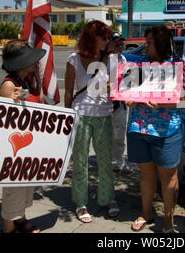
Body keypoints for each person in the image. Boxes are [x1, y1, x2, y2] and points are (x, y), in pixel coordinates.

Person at [126, 25, 185, 233]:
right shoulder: (138, 66)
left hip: (167, 132)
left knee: (168, 177)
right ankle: (146, 213)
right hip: (139, 128)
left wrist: (166, 103)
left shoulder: (179, 66)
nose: (146, 47)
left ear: (161, 43)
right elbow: (127, 94)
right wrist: (130, 100)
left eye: (149, 43)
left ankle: (169, 221)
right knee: (145, 175)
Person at [64, 20, 119, 223]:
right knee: (80, 161)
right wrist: (66, 117)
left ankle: (108, 198)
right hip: (80, 114)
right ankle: (80, 202)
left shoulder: (111, 59)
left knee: (105, 161)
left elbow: (116, 91)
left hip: (104, 115)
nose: (107, 41)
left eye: (108, 37)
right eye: (103, 37)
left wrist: (113, 88)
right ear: (91, 38)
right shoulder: (74, 59)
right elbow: (68, 91)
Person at [0, 39, 46, 233]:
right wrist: (13, 100)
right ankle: (8, 228)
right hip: (13, 147)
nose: (35, 63)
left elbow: (41, 102)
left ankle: (21, 219)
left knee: (26, 186)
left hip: (28, 142)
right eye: (32, 61)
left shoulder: (27, 81)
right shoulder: (9, 85)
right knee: (13, 189)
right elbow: (3, 117)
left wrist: (38, 78)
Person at [107, 33, 135, 172]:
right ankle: (106, 163)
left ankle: (118, 162)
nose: (120, 47)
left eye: (121, 44)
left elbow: (127, 80)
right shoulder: (104, 60)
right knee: (106, 135)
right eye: (116, 44)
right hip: (106, 103)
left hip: (121, 102)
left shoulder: (123, 59)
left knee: (119, 133)